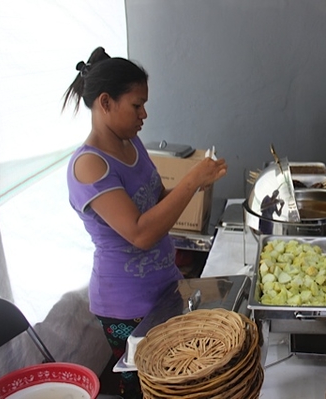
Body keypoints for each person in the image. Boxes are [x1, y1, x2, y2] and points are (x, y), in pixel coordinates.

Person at [62, 47, 228, 398]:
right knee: (145, 386)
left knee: (178, 377)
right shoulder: (89, 165)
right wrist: (191, 181)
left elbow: (157, 204)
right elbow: (140, 233)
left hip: (165, 286)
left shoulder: (131, 143)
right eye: (136, 105)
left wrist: (196, 186)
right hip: (127, 306)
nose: (144, 114)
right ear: (105, 102)